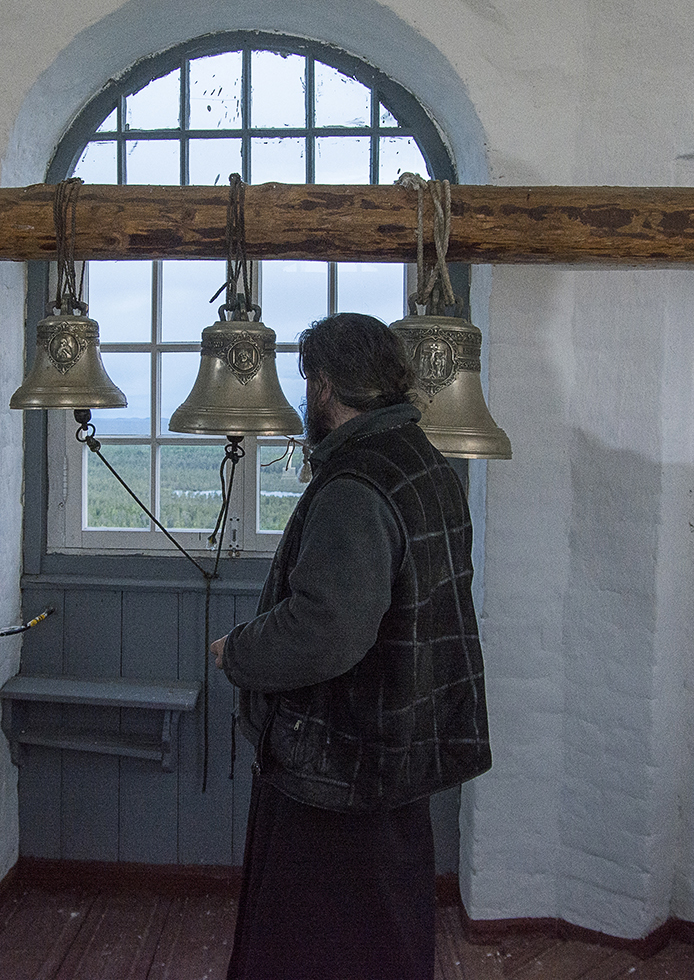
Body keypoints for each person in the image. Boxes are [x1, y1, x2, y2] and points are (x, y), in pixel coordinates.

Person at [210, 312, 491, 980]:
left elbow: (324, 629)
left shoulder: (354, 485)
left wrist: (238, 652)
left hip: (338, 770)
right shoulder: (427, 466)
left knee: (314, 947)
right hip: (397, 749)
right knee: (384, 936)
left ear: (326, 387)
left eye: (310, 382)